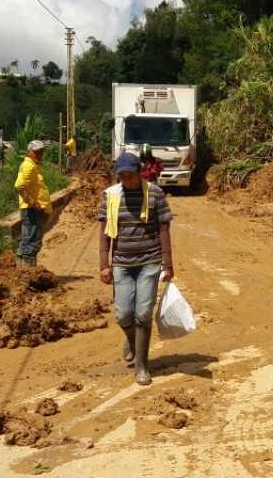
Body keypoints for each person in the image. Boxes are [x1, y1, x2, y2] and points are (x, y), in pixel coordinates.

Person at [98, 152, 174, 385]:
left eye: (130, 175)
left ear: (139, 172)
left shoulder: (155, 194)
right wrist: (104, 264)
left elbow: (163, 229)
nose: (126, 180)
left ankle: (141, 365)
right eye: (122, 176)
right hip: (122, 263)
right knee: (123, 314)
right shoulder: (110, 196)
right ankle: (132, 341)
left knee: (142, 314)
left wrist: (167, 263)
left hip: (149, 262)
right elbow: (103, 232)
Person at [14, 140, 52, 268]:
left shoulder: (31, 165)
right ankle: (29, 274)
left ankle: (21, 270)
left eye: (41, 151)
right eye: (36, 152)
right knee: (32, 242)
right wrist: (33, 203)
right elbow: (19, 186)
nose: (39, 154)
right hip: (32, 211)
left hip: (32, 210)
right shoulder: (29, 166)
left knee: (27, 241)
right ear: (29, 152)